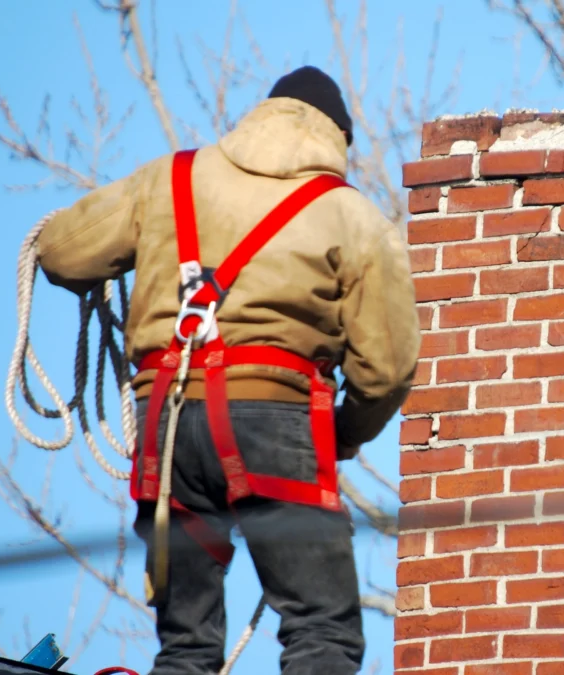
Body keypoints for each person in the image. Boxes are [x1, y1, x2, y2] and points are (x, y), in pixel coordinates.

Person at [35, 65, 421, 675]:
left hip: (166, 425)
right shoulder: (353, 217)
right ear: (338, 140)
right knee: (322, 629)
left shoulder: (169, 178)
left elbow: (60, 251)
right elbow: (388, 370)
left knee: (186, 646)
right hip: (274, 421)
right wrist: (344, 433)